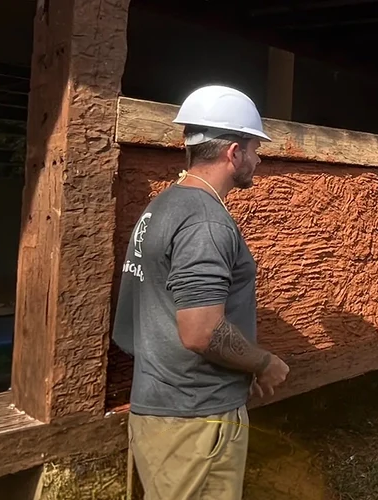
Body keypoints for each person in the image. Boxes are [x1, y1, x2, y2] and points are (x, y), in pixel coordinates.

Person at [112, 85, 290, 500]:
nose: (258, 159)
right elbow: (202, 332)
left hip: (163, 410)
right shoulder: (205, 223)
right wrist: (263, 363)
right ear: (233, 153)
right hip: (197, 422)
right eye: (254, 148)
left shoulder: (162, 207)